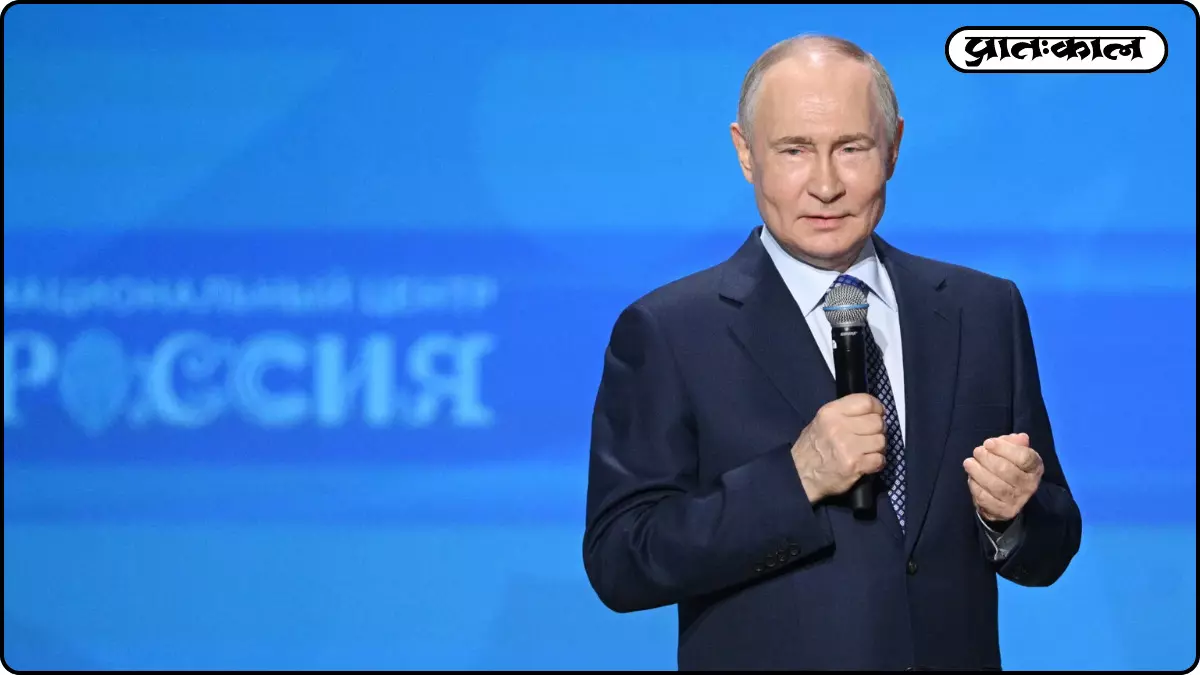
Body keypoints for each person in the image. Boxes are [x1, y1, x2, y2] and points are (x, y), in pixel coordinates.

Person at [581, 34, 1082, 671]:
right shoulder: (669, 331)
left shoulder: (982, 310)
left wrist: (1011, 515)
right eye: (794, 150)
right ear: (745, 153)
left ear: (894, 146)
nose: (825, 185)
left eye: (851, 148)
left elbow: (1051, 546)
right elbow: (621, 561)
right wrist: (795, 479)